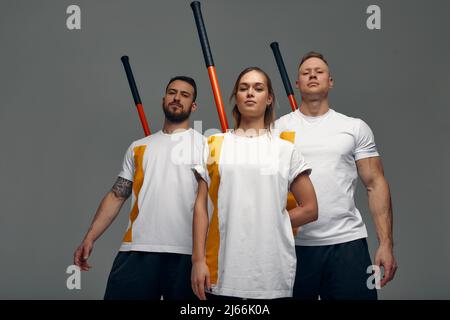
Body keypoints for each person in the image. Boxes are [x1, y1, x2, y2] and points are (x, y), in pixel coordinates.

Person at [274, 51, 398, 300]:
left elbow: (375, 185)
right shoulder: (277, 129)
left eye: (319, 71)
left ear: (330, 81)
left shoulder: (354, 127)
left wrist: (386, 243)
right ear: (297, 84)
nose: (312, 75)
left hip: (346, 243)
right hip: (292, 244)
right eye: (305, 72)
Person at [191, 67, 318, 300]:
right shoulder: (213, 144)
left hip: (272, 274)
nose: (250, 93)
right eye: (243, 88)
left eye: (258, 88)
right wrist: (197, 260)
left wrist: (273, 221)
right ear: (236, 97)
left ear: (269, 99)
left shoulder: (285, 150)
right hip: (221, 272)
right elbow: (200, 207)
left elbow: (310, 209)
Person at [73, 76, 205, 300]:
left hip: (187, 253)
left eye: (185, 95)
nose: (177, 98)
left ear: (193, 106)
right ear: (164, 99)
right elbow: (117, 195)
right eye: (172, 92)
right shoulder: (139, 147)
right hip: (138, 249)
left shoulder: (206, 146)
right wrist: (90, 237)